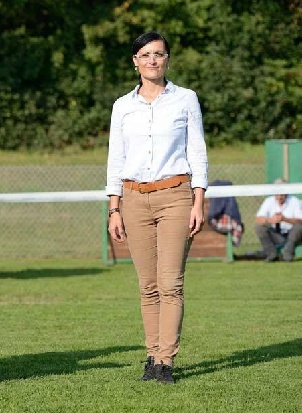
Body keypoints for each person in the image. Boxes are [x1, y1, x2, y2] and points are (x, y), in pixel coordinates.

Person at [105, 31, 209, 384]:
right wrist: (114, 208)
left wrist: (199, 200)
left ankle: (166, 360)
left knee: (170, 284)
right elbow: (115, 158)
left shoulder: (185, 100)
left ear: (167, 59)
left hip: (175, 195)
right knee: (147, 286)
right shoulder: (122, 106)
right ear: (135, 61)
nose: (152, 60)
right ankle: (151, 355)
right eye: (145, 54)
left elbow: (197, 151)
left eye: (159, 54)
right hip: (133, 199)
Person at [254, 178, 302, 262]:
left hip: (292, 234)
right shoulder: (268, 201)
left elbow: (300, 220)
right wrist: (270, 220)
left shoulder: (294, 201)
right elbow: (258, 219)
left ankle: (288, 254)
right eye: (277, 194)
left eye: (282, 194)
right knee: (259, 227)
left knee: (298, 227)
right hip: (276, 234)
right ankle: (271, 254)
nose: (279, 197)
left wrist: (285, 219)